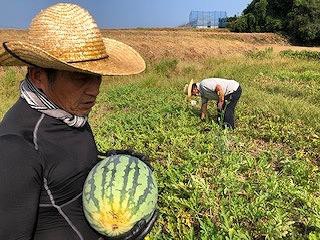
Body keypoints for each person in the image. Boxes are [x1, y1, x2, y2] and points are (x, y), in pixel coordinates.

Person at [0, 3, 157, 240]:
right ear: (38, 76)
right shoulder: (15, 149)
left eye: (97, 77)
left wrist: (110, 162)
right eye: (80, 77)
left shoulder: (66, 113)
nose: (93, 90)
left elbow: (62, 175)